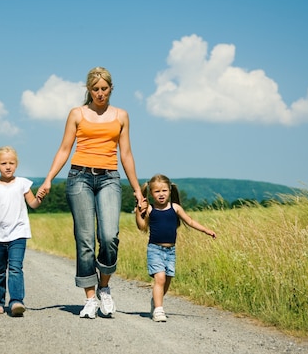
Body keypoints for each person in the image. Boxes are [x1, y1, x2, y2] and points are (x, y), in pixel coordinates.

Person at [38, 66, 146, 319]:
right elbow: (64, 149)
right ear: (89, 89)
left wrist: (138, 190)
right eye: (96, 89)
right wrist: (48, 179)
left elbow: (126, 155)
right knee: (84, 239)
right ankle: (89, 298)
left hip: (109, 178)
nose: (100, 94)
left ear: (111, 89)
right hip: (79, 178)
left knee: (109, 236)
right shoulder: (77, 114)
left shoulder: (121, 116)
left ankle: (104, 287)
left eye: (104, 89)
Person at [135, 174, 217, 322]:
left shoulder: (175, 208)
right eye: (157, 192)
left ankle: (156, 302)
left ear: (170, 191)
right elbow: (142, 227)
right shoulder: (150, 210)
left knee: (167, 280)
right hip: (155, 249)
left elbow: (190, 221)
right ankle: (159, 310)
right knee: (159, 279)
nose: (161, 194)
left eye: (164, 191)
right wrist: (138, 211)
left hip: (171, 251)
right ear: (151, 193)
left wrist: (206, 230)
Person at [0, 146, 45, 317]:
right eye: (4, 163)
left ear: (16, 165)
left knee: (16, 268)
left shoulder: (23, 183)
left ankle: (16, 301)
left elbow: (32, 204)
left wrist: (39, 198)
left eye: (11, 163)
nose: (8, 166)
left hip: (18, 233)